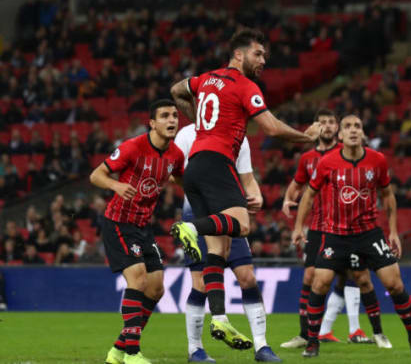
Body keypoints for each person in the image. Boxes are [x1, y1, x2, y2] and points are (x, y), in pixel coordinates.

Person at [169, 28, 321, 348]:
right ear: (238, 55)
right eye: (258, 54)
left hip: (195, 167)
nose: (263, 60)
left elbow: (176, 89)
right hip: (216, 164)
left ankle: (220, 318)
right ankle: (190, 227)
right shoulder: (244, 85)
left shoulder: (205, 79)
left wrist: (200, 120)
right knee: (241, 224)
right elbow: (272, 128)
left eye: (264, 55)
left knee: (218, 250)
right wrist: (308, 138)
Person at [292, 114, 411, 358]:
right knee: (320, 282)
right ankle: (312, 342)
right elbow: (309, 195)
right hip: (335, 234)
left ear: (362, 133)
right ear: (340, 135)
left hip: (368, 233)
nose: (353, 130)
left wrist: (394, 231)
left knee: (394, 284)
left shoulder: (377, 160)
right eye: (348, 127)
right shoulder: (327, 162)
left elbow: (387, 195)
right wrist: (298, 227)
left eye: (357, 126)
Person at [174, 124, 281, 362]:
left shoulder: (238, 137)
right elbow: (176, 172)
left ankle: (262, 347)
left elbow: (247, 177)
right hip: (198, 212)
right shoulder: (187, 134)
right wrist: (206, 194)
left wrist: (257, 195)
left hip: (229, 212)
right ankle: (195, 349)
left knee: (247, 277)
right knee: (200, 284)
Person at [90, 99, 185, 364]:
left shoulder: (176, 154)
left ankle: (118, 350)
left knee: (156, 289)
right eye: (165, 116)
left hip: (144, 226)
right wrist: (116, 186)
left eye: (175, 115)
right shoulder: (133, 147)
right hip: (119, 223)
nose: (172, 120)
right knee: (138, 279)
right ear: (152, 123)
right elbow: (96, 175)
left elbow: (179, 176)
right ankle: (132, 354)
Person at [280, 109, 379, 348]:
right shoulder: (307, 159)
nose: (326, 126)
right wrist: (287, 200)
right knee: (311, 276)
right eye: (321, 122)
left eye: (330, 122)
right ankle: (307, 334)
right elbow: (296, 186)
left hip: (345, 228)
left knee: (353, 276)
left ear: (338, 128)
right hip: (318, 227)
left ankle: (348, 329)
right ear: (316, 125)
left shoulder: (344, 154)